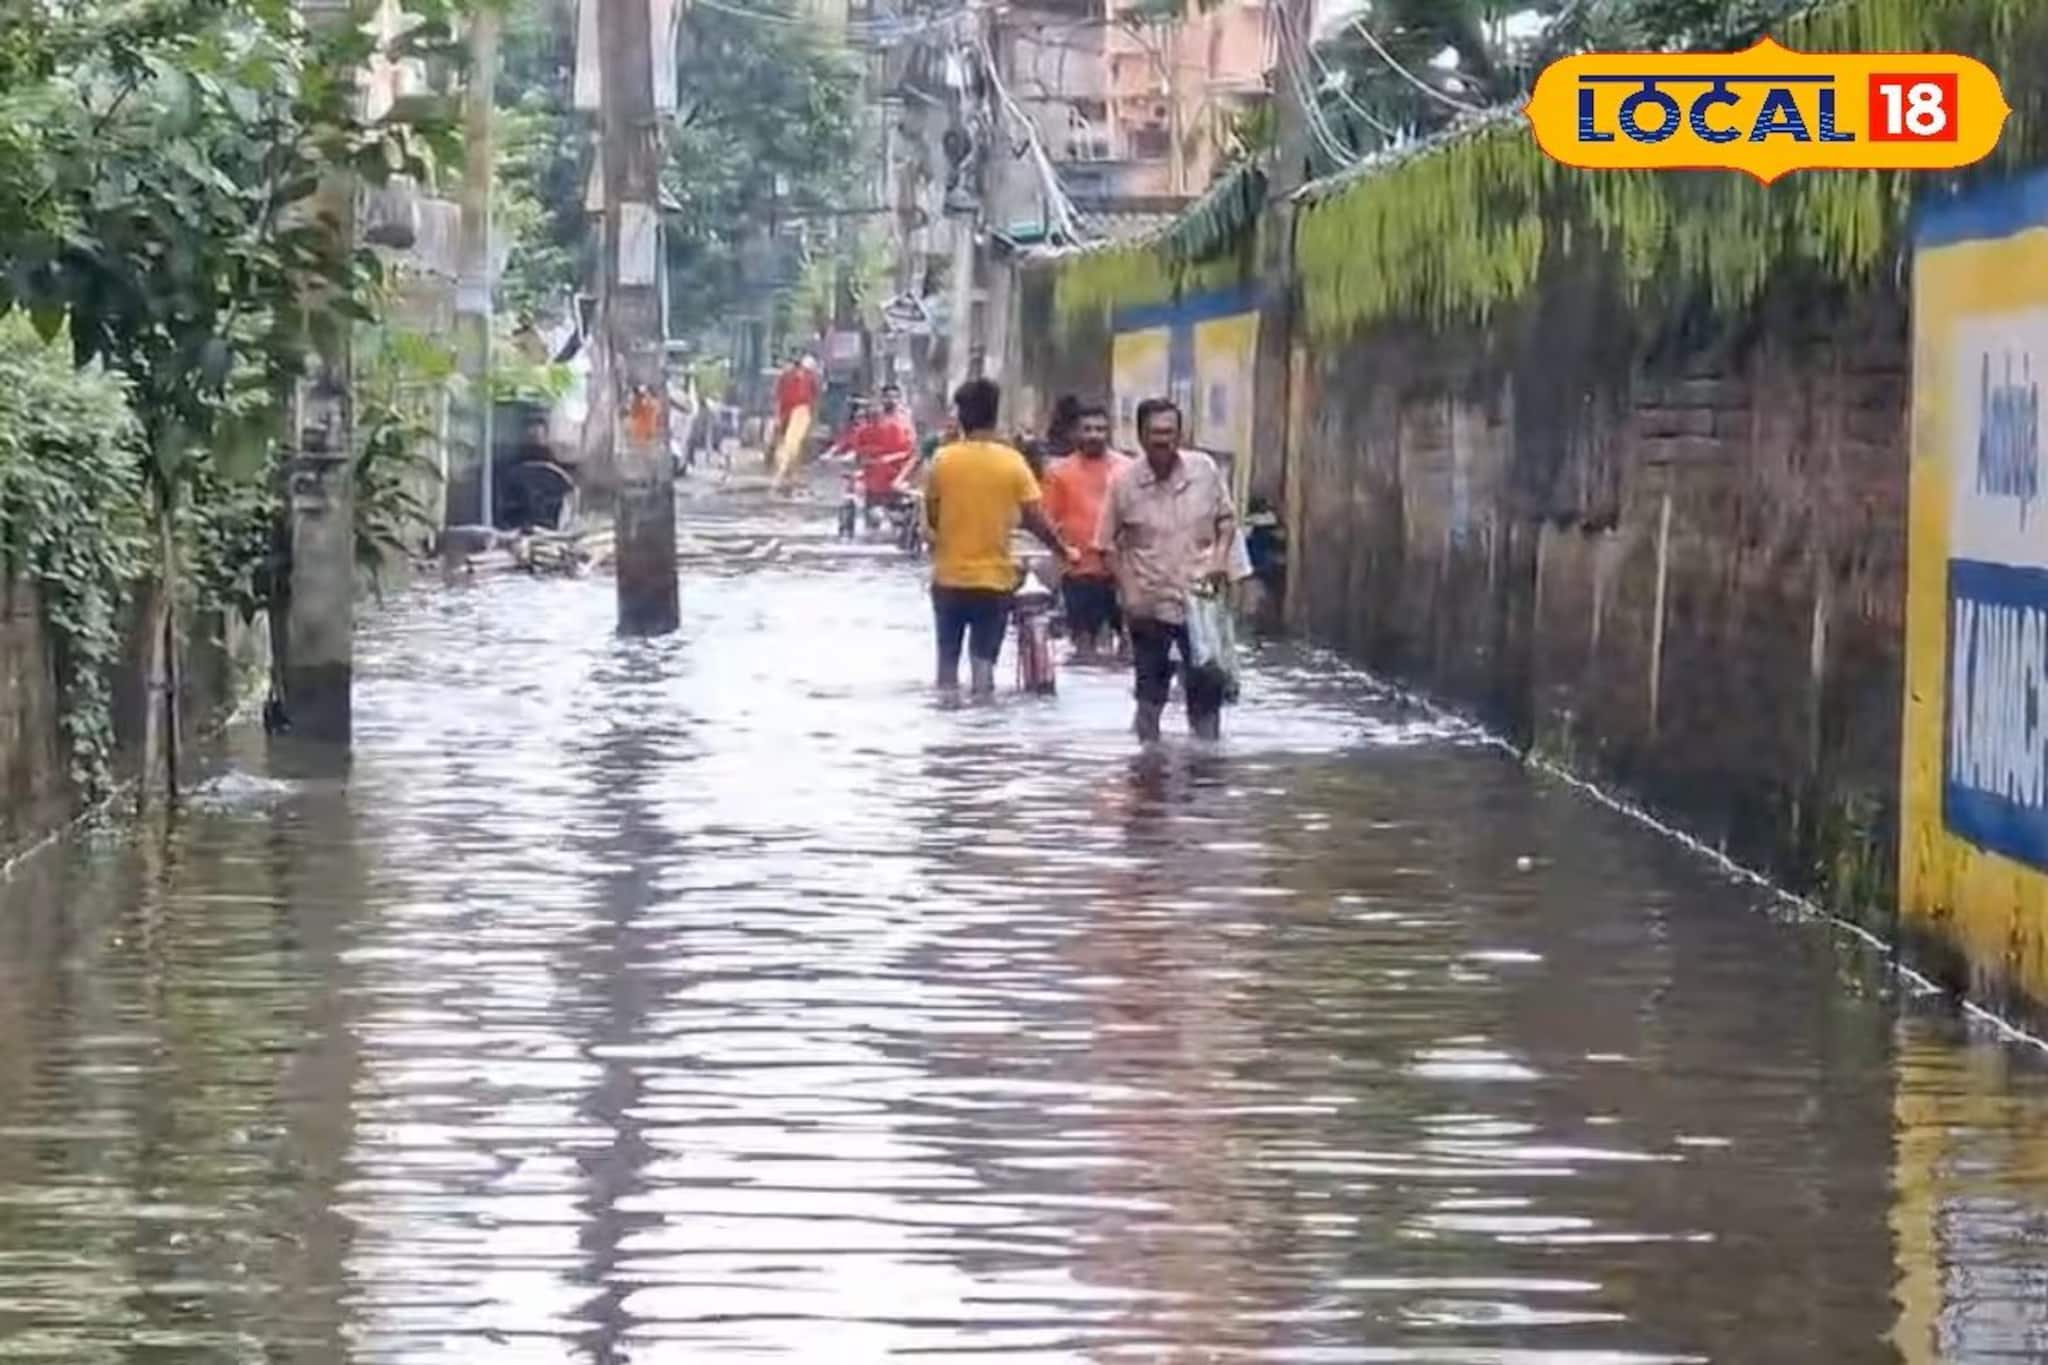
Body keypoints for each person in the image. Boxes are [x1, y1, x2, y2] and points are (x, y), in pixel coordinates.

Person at [1095, 397, 1247, 742]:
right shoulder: (1124, 484)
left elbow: (1227, 522)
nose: (1163, 440)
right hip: (1150, 606)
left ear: (1181, 434)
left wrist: (1220, 558)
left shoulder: (1204, 471)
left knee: (1206, 701)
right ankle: (1147, 772)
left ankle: (1205, 776)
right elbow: (1104, 546)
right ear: (1140, 436)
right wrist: (1129, 590)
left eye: (1170, 432)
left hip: (1201, 607)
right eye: (1155, 433)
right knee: (1150, 699)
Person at [926, 378, 1077, 698]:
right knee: (984, 669)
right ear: (994, 415)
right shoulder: (1013, 463)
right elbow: (1036, 519)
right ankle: (984, 734)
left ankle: (947, 725)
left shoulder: (942, 460)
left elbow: (933, 517)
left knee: (946, 666)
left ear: (963, 416)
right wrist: (1063, 550)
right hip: (993, 581)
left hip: (948, 579)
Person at [1039, 403, 1131, 662]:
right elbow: (1048, 522)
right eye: (1088, 429)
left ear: (1109, 432)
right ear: (1075, 433)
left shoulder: (1126, 469)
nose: (1094, 435)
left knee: (1129, 651)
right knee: (1083, 649)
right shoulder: (1059, 473)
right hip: (1078, 571)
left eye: (1101, 429)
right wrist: (1058, 562)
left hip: (1122, 573)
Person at [852, 382, 918, 516]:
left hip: (898, 472)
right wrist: (867, 458)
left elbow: (910, 450)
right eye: (888, 397)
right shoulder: (873, 419)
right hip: (874, 473)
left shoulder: (905, 421)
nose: (891, 400)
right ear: (882, 399)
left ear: (899, 399)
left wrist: (891, 459)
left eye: (894, 397)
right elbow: (860, 445)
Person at [771, 352, 821, 491]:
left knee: (793, 443)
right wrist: (777, 416)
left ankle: (783, 474)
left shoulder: (809, 377)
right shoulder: (786, 377)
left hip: (801, 411)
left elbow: (815, 398)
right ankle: (789, 474)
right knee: (788, 443)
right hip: (787, 412)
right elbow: (778, 397)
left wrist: (813, 417)